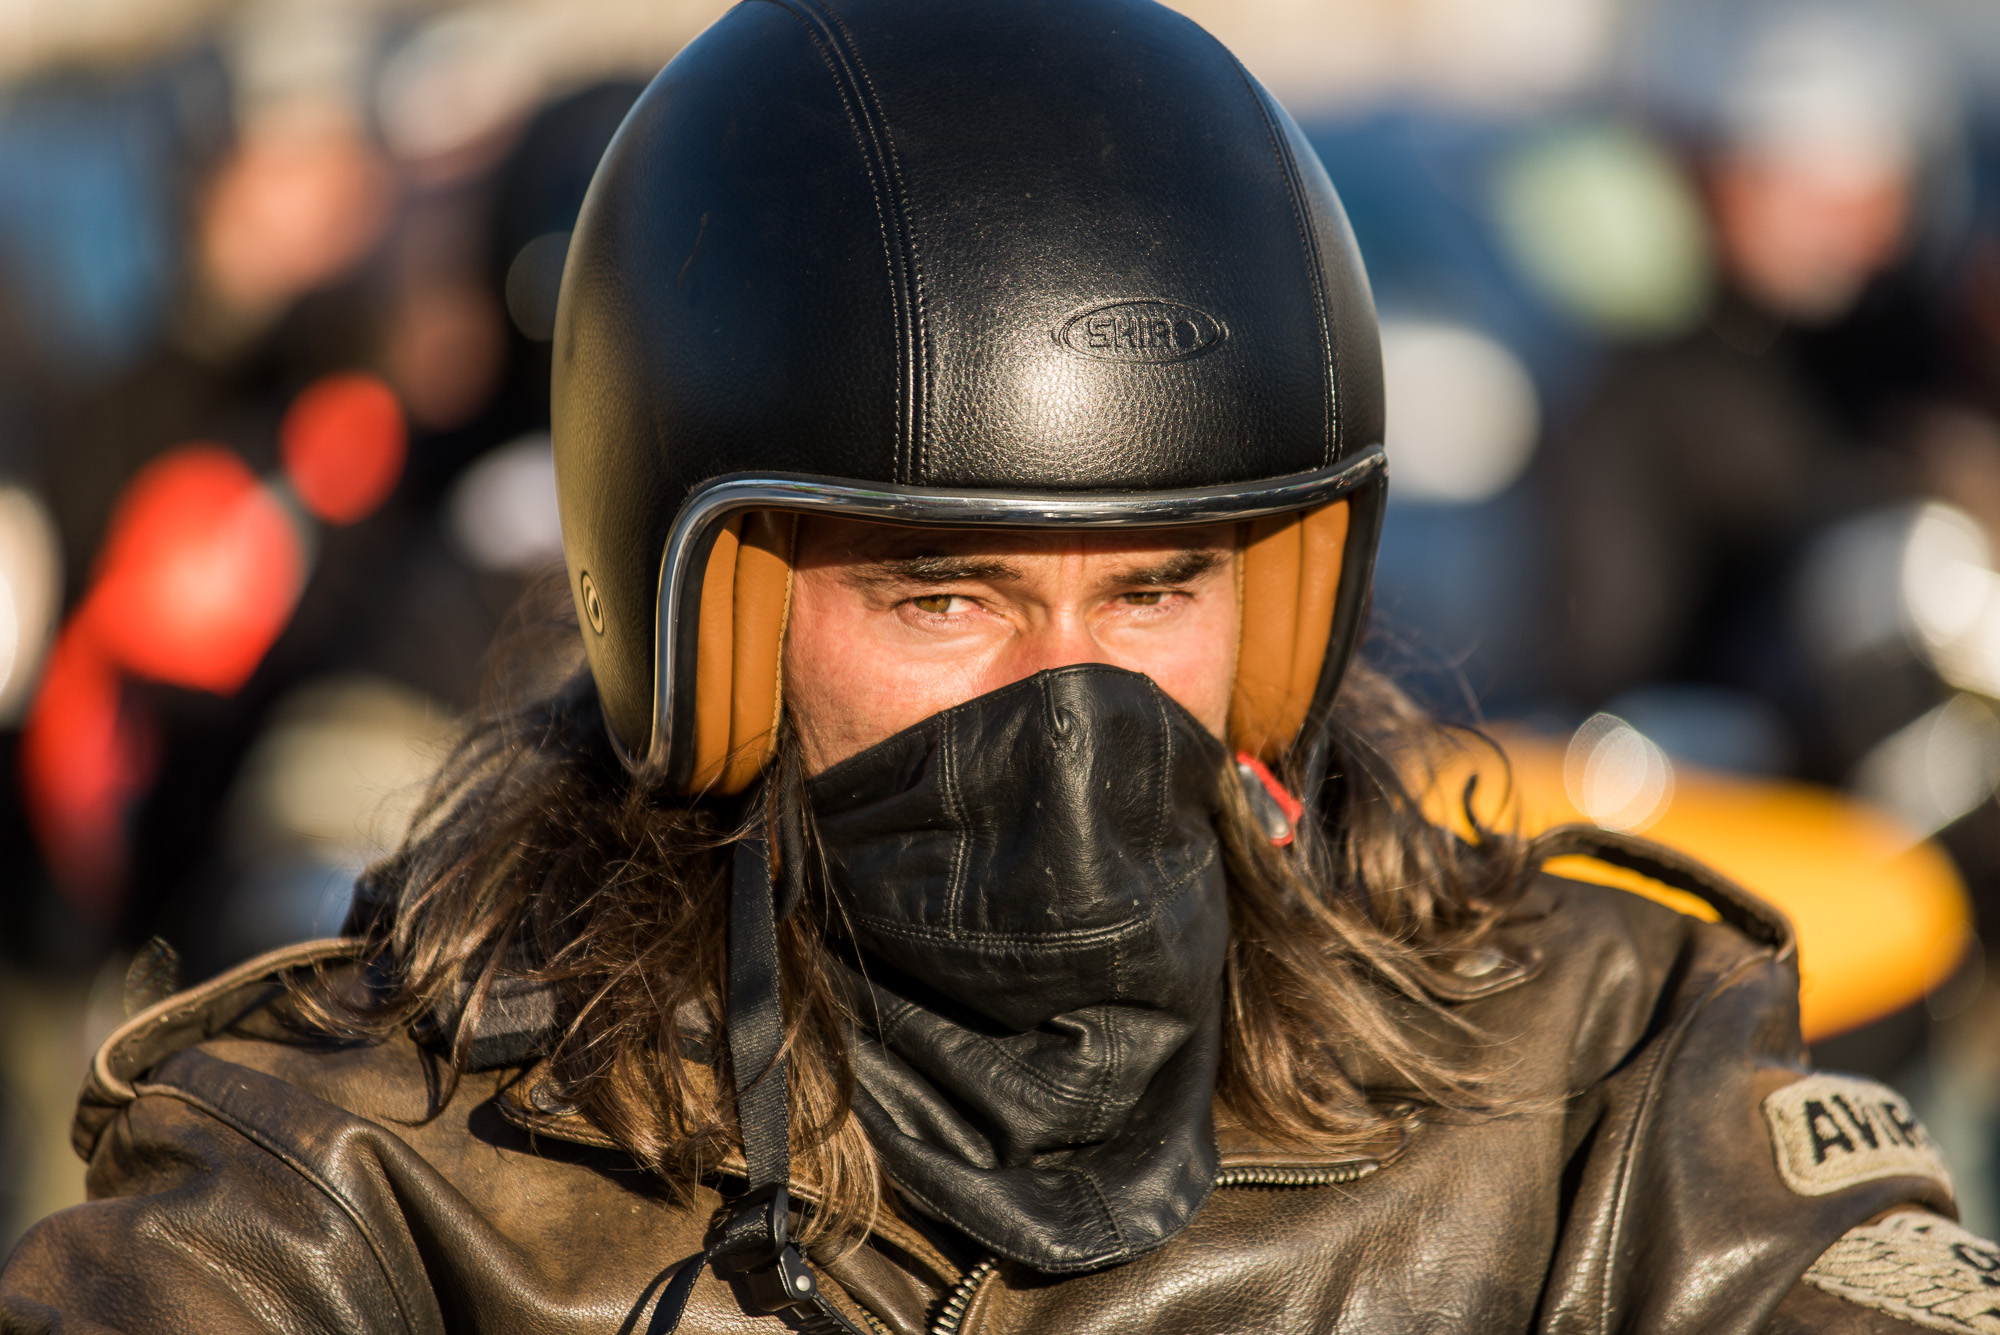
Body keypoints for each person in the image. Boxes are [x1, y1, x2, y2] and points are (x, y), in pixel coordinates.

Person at [0, 2, 1987, 1331]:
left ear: (1285, 614)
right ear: (709, 629)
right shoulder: (374, 1171)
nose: (1071, 699)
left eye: (1155, 595)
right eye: (943, 598)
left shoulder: (1590, 1094)